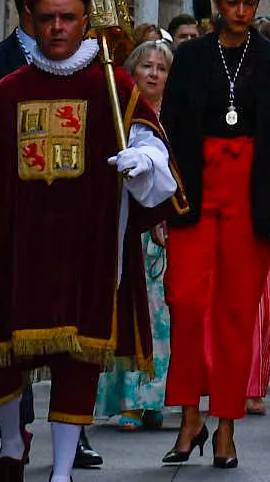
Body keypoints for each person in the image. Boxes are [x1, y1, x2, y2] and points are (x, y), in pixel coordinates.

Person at [0, 0, 175, 482]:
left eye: (67, 17)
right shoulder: (6, 92)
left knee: (78, 359)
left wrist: (144, 163)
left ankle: (62, 469)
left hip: (87, 246)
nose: (57, 27)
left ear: (84, 20)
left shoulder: (112, 88)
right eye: (47, 18)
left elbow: (155, 157)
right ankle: (9, 444)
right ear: (32, 19)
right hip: (16, 247)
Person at [158, 0, 270, 466]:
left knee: (236, 312)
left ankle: (226, 426)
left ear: (257, 3)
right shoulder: (192, 56)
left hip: (253, 193)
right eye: (233, 2)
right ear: (218, 3)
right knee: (186, 303)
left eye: (250, 3)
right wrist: (164, 201)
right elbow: (170, 133)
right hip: (196, 190)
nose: (241, 12)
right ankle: (189, 416)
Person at [102, 38, 179, 431]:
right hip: (126, 224)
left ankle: (155, 399)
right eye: (146, 66)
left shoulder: (178, 116)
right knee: (129, 310)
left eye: (162, 68)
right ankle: (128, 400)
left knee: (161, 315)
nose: (153, 73)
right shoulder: (121, 113)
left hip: (165, 227)